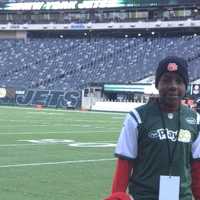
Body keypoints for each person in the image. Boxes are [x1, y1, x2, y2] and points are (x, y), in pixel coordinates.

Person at [105, 56, 200, 200]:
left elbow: (196, 167)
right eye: (166, 80)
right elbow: (125, 163)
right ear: (157, 84)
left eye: (179, 81)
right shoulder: (137, 117)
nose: (173, 86)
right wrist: (117, 196)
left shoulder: (195, 120)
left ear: (186, 86)